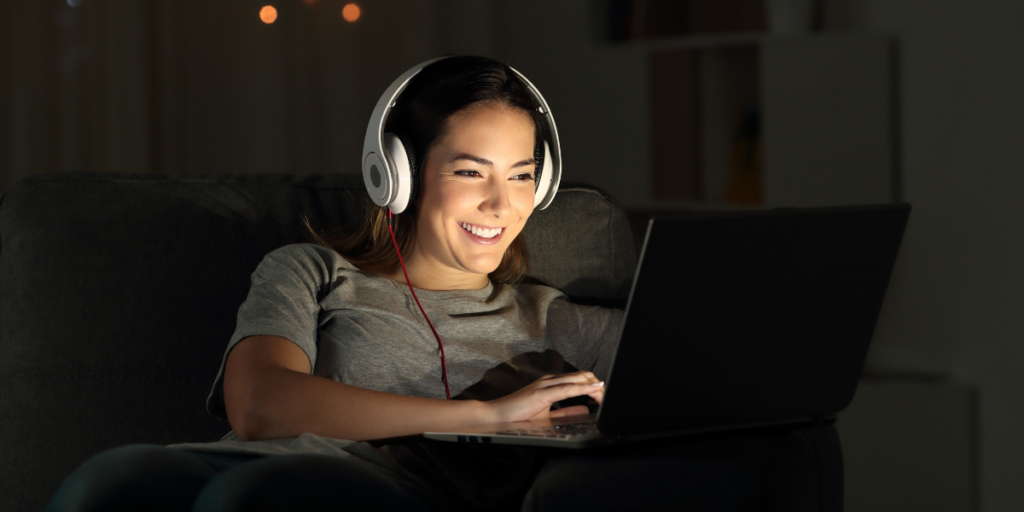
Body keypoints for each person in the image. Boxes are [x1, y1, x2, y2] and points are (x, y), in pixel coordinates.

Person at [46, 55, 625, 512]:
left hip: (372, 488)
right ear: (400, 175)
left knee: (256, 497)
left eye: (522, 176)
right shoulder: (310, 271)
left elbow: (696, 365)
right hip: (231, 461)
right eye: (470, 171)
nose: (501, 203)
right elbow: (260, 406)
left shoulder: (559, 320)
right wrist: (491, 417)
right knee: (114, 478)